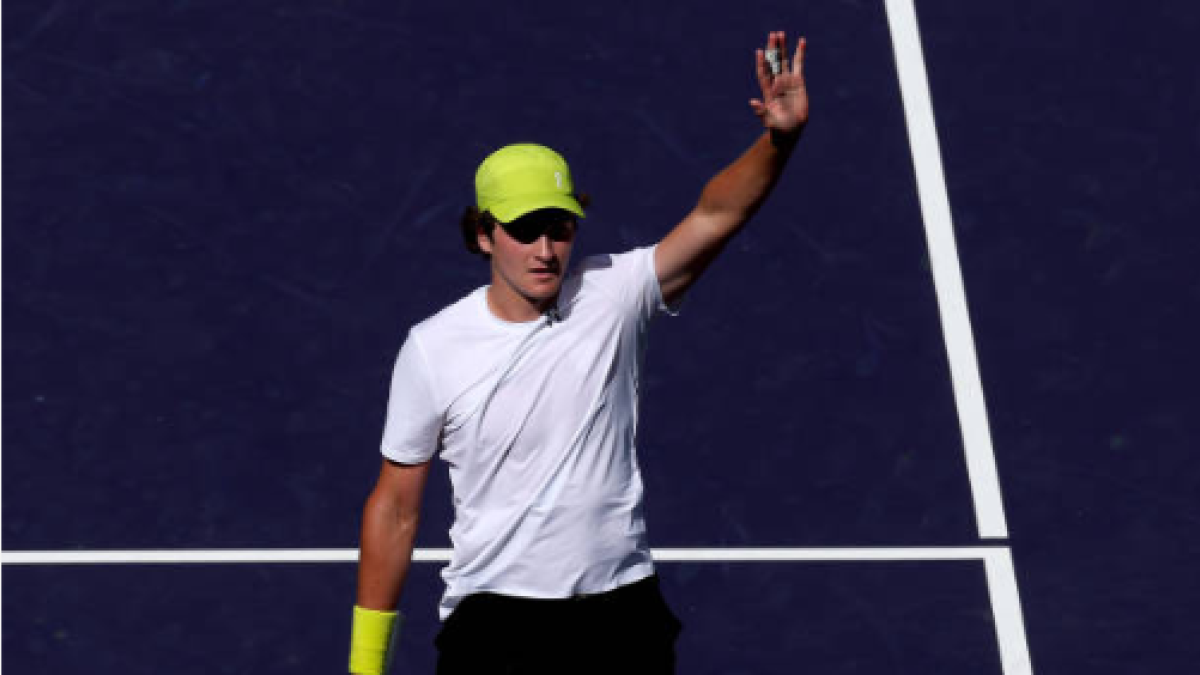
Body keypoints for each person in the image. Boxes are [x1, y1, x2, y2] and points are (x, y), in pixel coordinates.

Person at [349, 30, 809, 675]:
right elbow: (396, 508)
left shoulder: (613, 294)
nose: (545, 249)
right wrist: (366, 667)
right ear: (484, 234)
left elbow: (715, 216)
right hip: (496, 619)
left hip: (620, 612)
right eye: (524, 229)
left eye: (559, 227)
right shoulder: (433, 350)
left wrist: (778, 140)